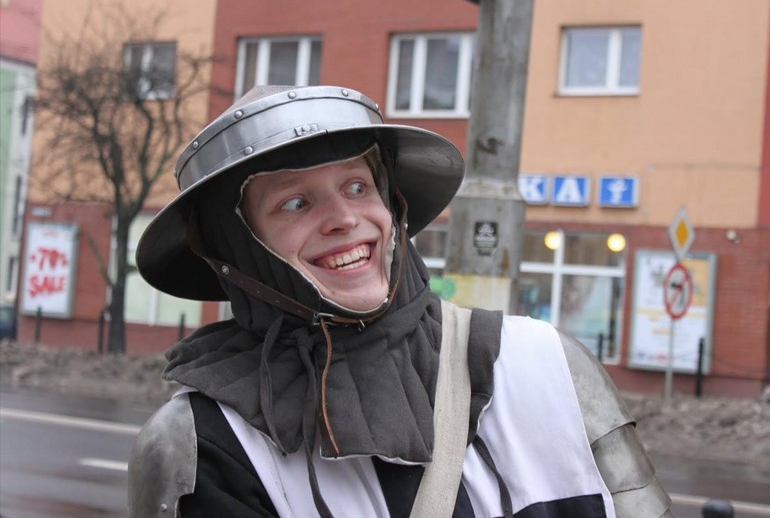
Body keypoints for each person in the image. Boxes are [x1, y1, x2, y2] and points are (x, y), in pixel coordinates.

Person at [128, 85, 673, 517]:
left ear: (391, 201)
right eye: (295, 203)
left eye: (357, 186)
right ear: (237, 250)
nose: (344, 219)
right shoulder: (202, 445)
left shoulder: (548, 365)